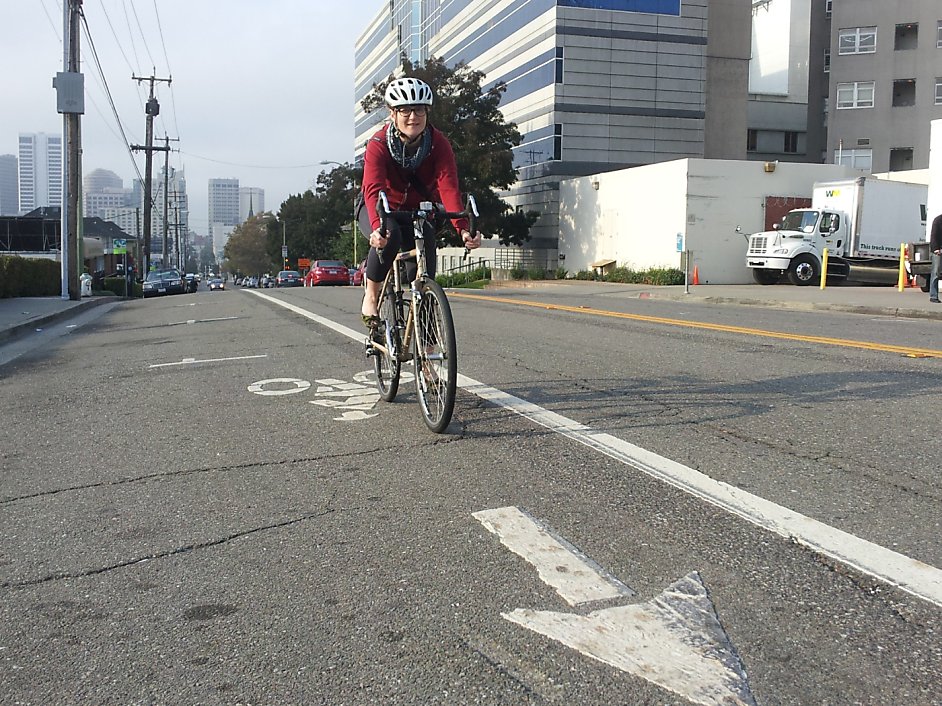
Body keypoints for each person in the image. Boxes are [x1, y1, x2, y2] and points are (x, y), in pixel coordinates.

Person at [358, 77, 481, 329]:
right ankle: (371, 295)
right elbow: (373, 189)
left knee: (425, 265)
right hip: (381, 208)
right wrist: (376, 227)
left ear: (427, 111)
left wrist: (463, 228)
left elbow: (448, 187)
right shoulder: (378, 144)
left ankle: (427, 341)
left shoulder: (439, 144)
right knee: (388, 234)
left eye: (420, 109)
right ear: (392, 113)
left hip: (417, 211)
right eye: (405, 110)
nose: (413, 116)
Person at [930, 212, 942, 303]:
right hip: (938, 251)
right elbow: (934, 236)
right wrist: (936, 249)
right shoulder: (938, 220)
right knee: (936, 273)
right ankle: (933, 296)